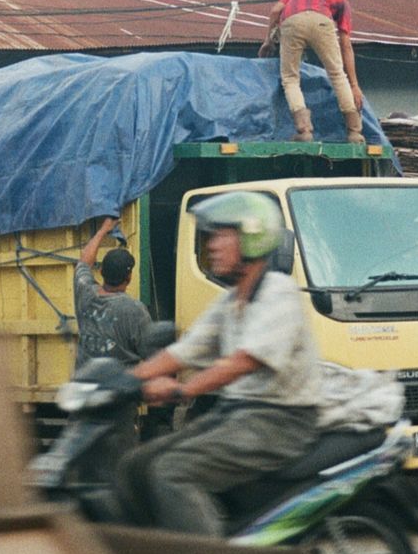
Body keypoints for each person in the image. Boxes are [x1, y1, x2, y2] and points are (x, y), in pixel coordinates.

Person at [114, 191, 321, 536]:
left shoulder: (279, 293)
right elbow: (186, 350)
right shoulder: (231, 301)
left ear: (253, 237)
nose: (210, 245)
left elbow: (243, 361)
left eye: (220, 235)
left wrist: (181, 389)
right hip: (239, 414)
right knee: (136, 465)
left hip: (281, 421)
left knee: (171, 473)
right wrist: (123, 381)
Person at [73, 215, 152, 465]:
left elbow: (83, 263)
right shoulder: (135, 311)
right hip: (117, 402)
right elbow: (152, 355)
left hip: (83, 396)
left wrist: (103, 230)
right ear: (129, 278)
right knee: (121, 465)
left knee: (80, 461)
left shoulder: (85, 295)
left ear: (103, 272)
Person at [259, 0, 365, 144]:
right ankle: (354, 132)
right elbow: (345, 44)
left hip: (291, 22)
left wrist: (268, 41)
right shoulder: (340, 0)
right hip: (322, 21)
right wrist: (354, 85)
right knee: (337, 74)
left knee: (290, 79)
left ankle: (304, 131)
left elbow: (276, 11)